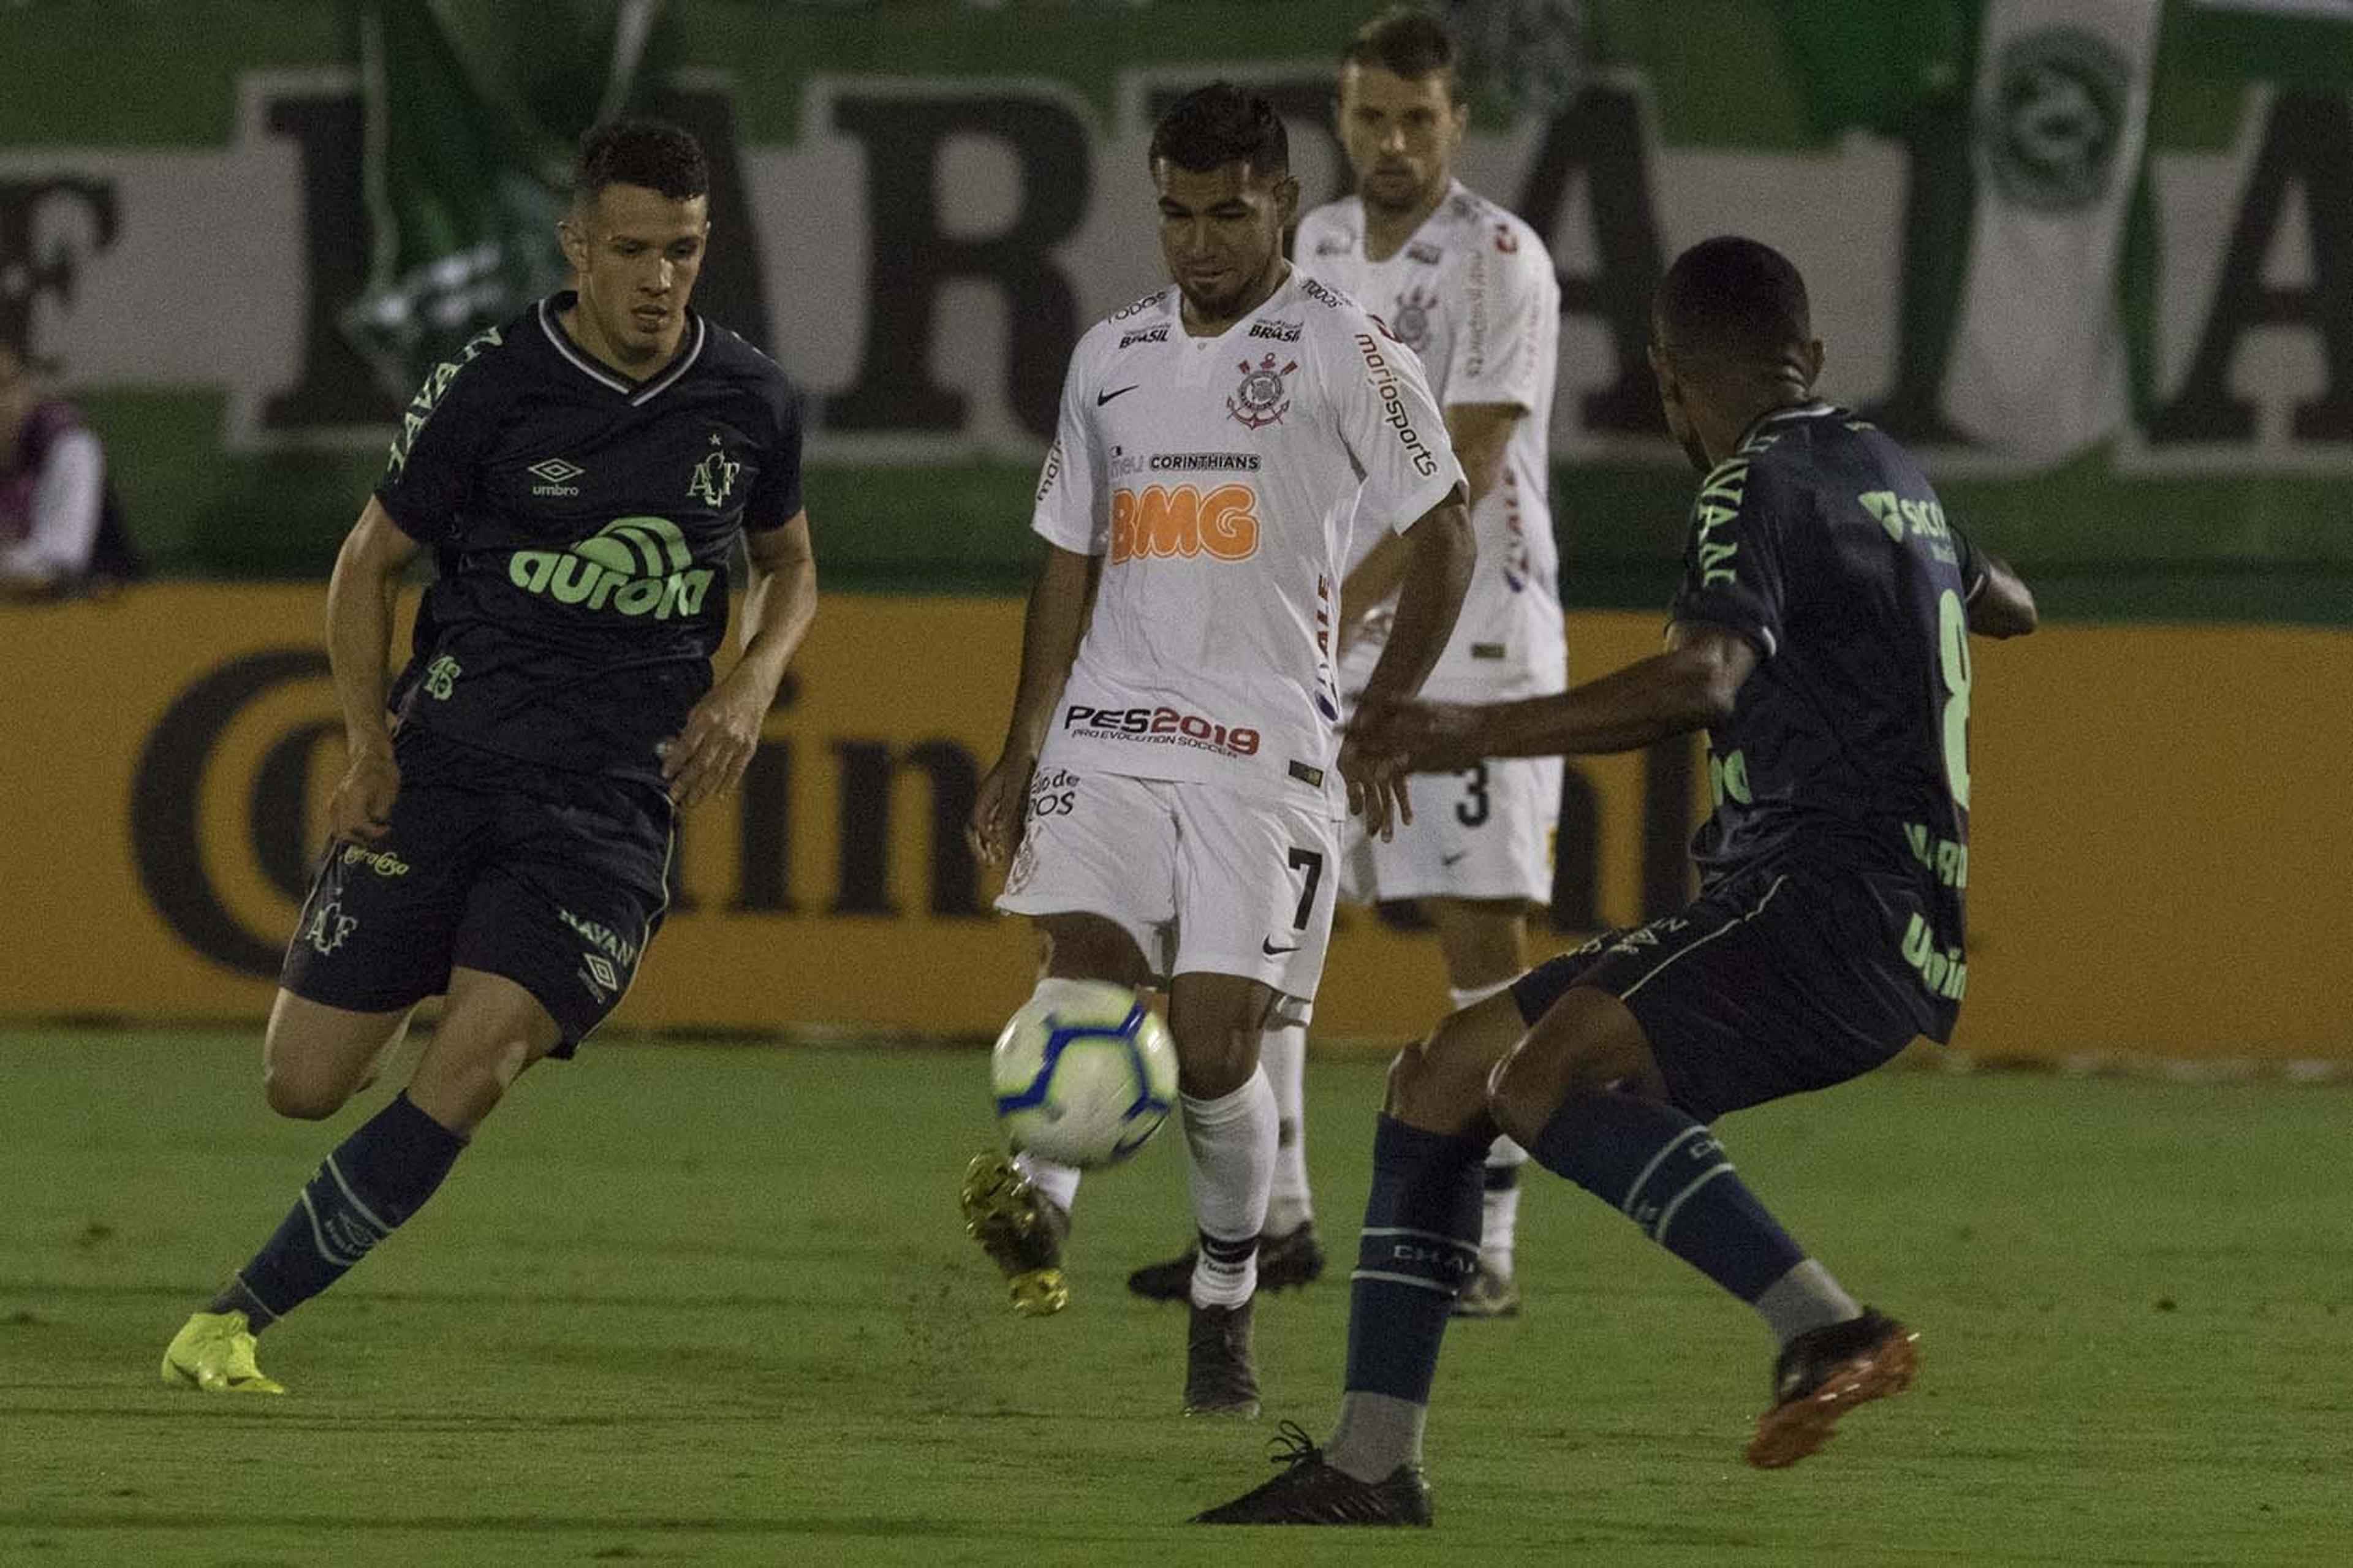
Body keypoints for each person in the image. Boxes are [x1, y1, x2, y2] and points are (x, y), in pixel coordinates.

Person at [1192, 235, 2037, 1523]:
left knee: (1543, 1076)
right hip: (1885, 916)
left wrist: (1469, 728)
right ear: (1810, 357)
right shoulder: (1888, 471)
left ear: (1665, 385)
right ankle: (1371, 1463)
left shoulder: (1748, 484)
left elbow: (1705, 677)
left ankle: (1828, 1324)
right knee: (1442, 1075)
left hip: (1818, 897)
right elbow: (2012, 603)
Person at [160, 118, 817, 1394]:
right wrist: (366, 743)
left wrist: (751, 679)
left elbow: (791, 566)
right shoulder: (489, 385)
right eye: (630, 249)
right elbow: (368, 561)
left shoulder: (750, 398)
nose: (658, 278)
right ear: (576, 246)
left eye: (681, 250)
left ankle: (231, 1319)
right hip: (447, 763)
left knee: (482, 1059)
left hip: (611, 805)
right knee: (302, 1081)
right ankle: (433, 1026)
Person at [961, 81, 1474, 1418]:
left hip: (1265, 746)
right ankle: (1051, 1199)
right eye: (1177, 214)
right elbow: (1067, 557)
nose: (1198, 242)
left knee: (1212, 1046)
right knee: (1083, 966)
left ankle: (1226, 1295)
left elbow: (1447, 535)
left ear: (1285, 206)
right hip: (1114, 727)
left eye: (1228, 214)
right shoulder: (1109, 356)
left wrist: (1389, 707)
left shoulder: (1345, 349)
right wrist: (1023, 746)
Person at [1126, 4, 1565, 1320]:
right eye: (1372, 116)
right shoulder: (1309, 243)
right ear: (1342, 117)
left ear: (1458, 124)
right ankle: (1281, 1218)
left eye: (1418, 120)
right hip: (1308, 641)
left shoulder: (1499, 260)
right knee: (1277, 913)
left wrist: (1336, 603)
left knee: (1480, 938)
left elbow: (1472, 468)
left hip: (1471, 636)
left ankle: (1488, 1240)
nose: (1393, 141)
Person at [0, 339, 139, 599]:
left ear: (26, 391)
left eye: (6, 388)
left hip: (99, 611)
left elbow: (60, 558)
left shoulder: (70, 445)